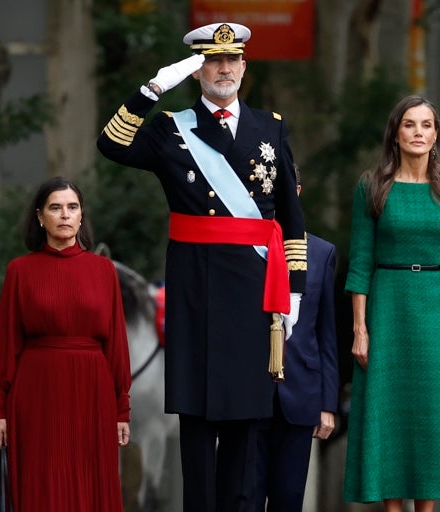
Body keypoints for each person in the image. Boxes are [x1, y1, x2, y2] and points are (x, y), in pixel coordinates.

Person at [96, 22, 306, 511]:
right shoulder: (172, 128)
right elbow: (110, 143)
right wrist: (152, 89)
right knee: (197, 424)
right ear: (197, 70)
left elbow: (292, 219)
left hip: (255, 290)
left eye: (233, 60)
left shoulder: (270, 126)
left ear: (244, 67)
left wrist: (293, 290)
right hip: (196, 287)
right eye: (213, 60)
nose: (224, 68)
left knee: (247, 427)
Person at [342, 95, 440, 512]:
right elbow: (359, 262)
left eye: (427, 125)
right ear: (396, 133)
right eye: (410, 124)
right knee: (389, 415)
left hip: (434, 311)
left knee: (431, 418)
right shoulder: (371, 185)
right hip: (387, 307)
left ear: (436, 135)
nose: (418, 132)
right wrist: (361, 329)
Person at [0, 177, 131, 511]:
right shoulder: (19, 271)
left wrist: (122, 407)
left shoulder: (104, 270)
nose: (64, 215)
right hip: (36, 394)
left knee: (91, 484)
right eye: (55, 207)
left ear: (81, 216)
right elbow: (6, 344)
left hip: (93, 393)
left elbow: (117, 345)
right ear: (40, 217)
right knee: (40, 486)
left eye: (72, 207)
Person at [256, 168, 339, 511]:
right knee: (242, 495)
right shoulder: (243, 247)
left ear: (298, 191)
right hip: (249, 389)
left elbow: (326, 332)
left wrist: (327, 403)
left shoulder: (321, 252)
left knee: (288, 499)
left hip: (301, 391)